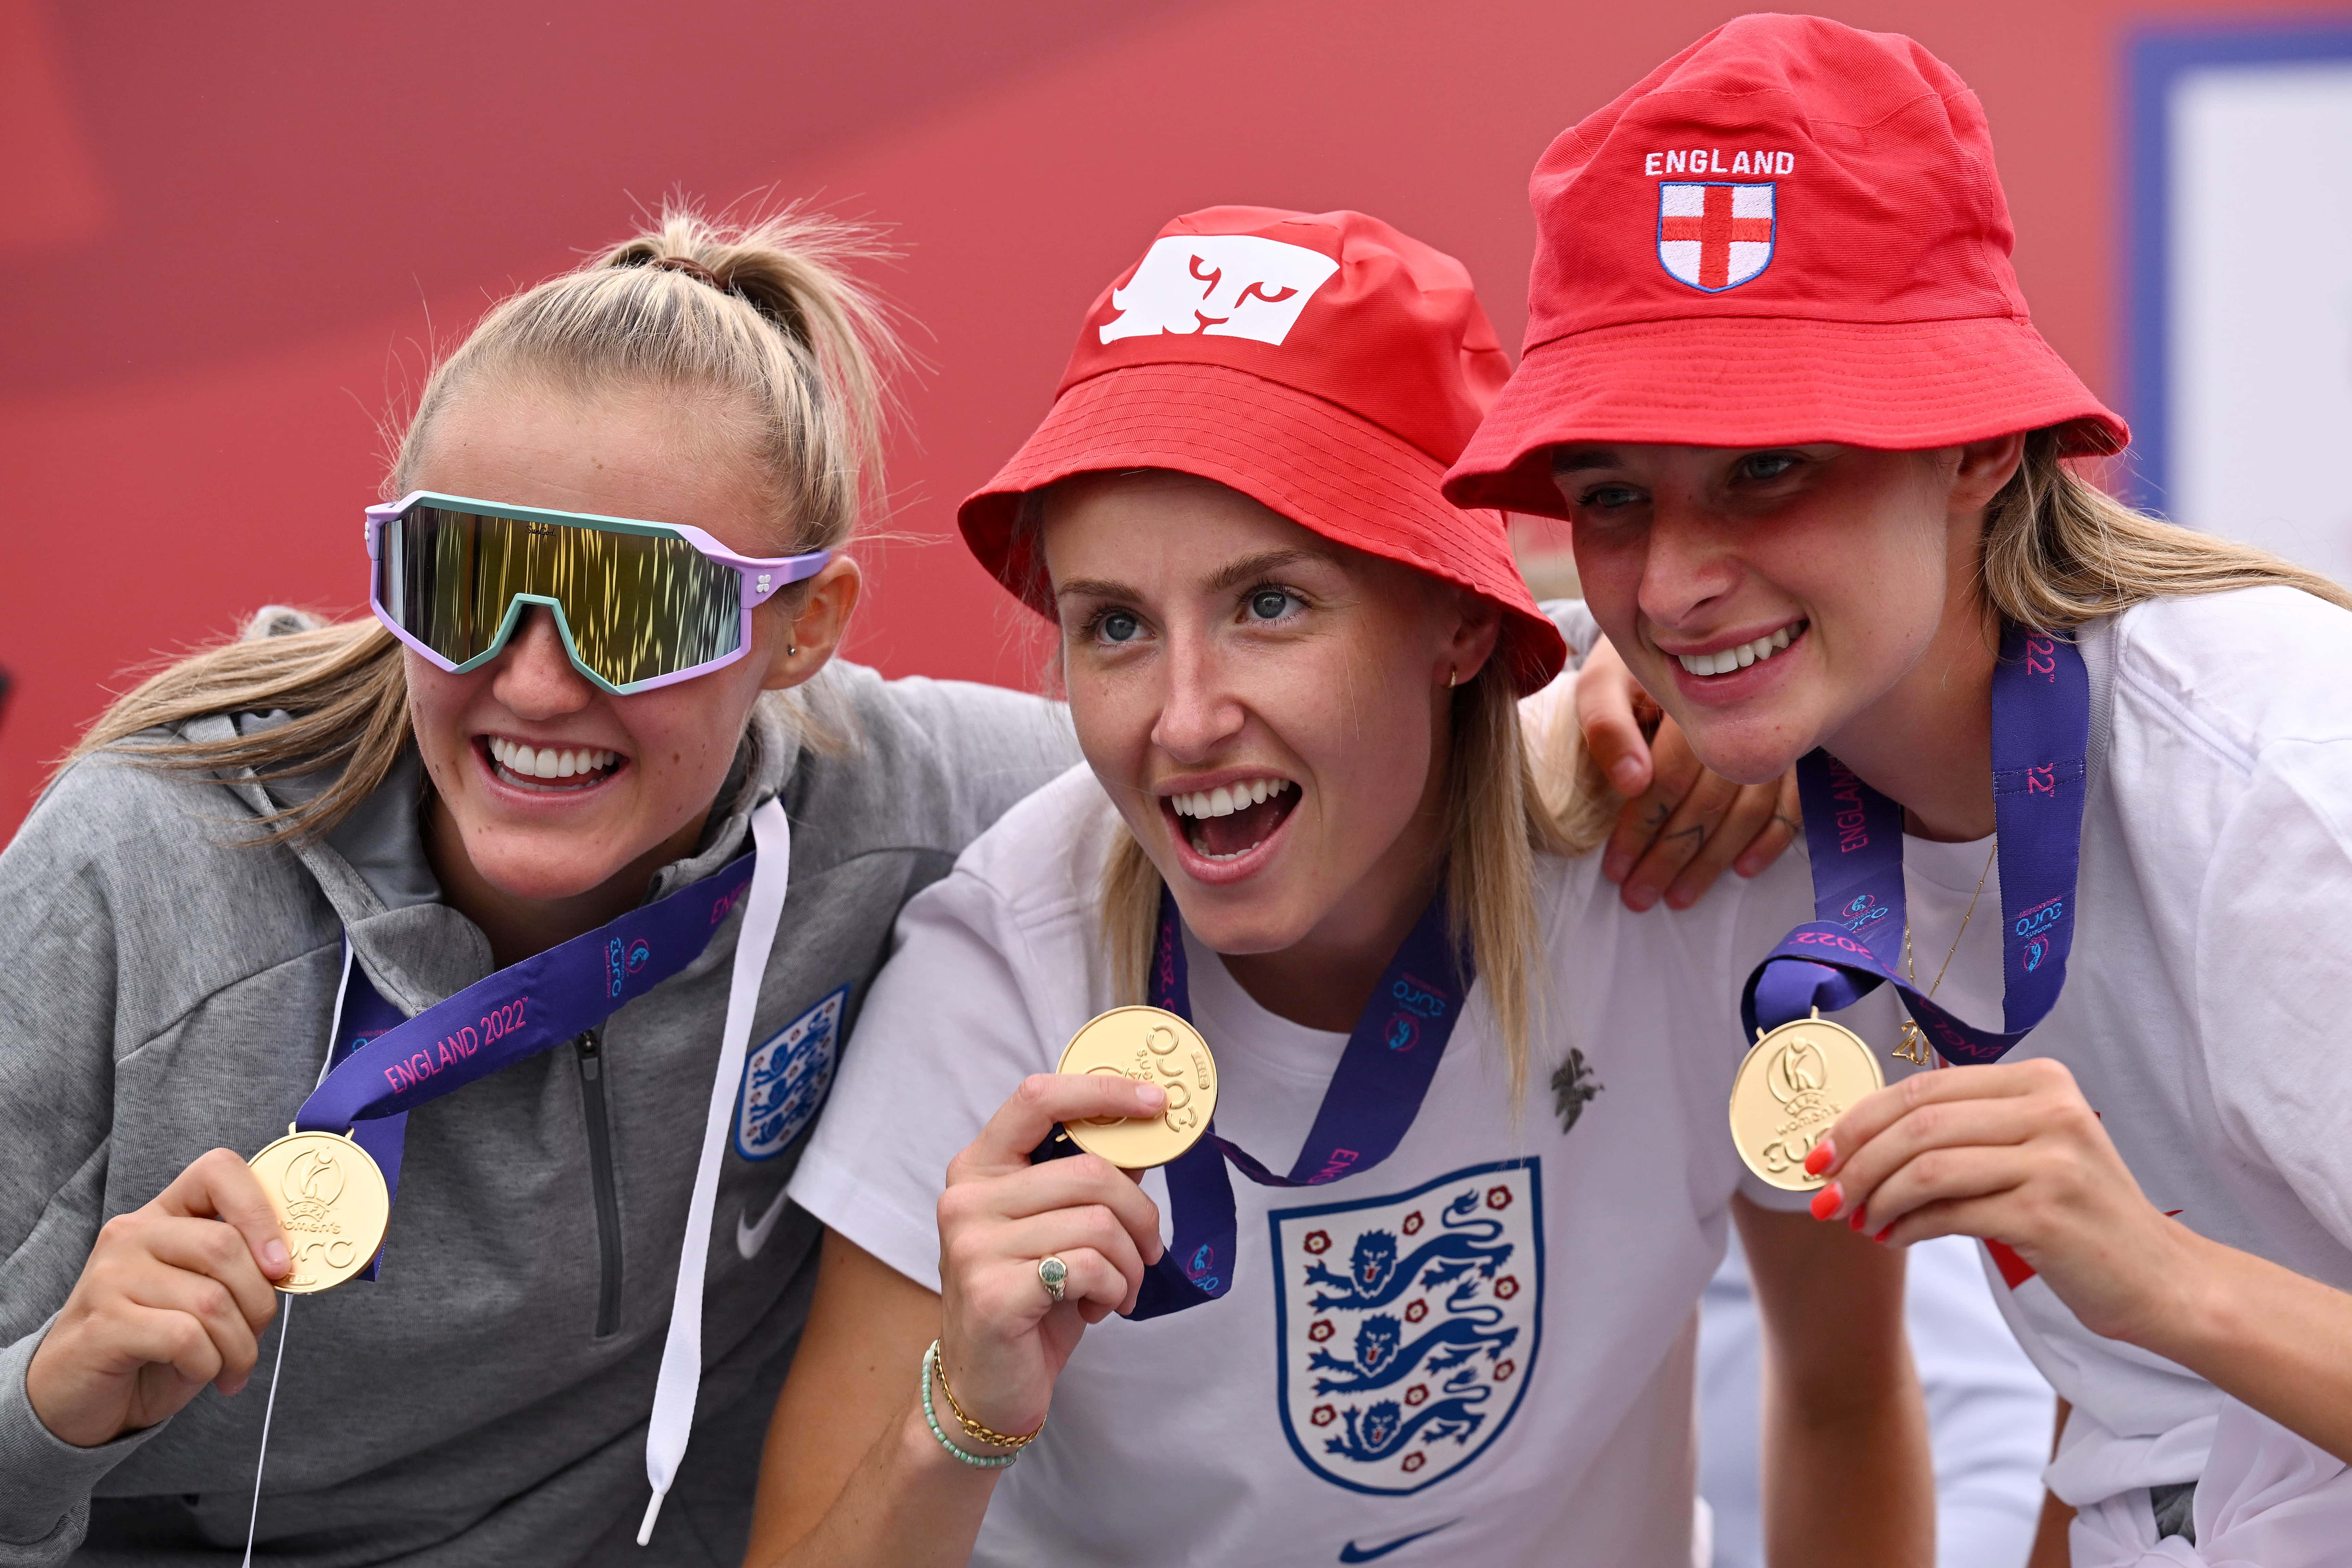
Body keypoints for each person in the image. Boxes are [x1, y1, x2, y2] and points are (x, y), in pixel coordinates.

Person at [744, 207, 1928, 1568]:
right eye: (1115, 625)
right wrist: (963, 1417)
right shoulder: (998, 981)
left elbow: (1846, 1401)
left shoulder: (1684, 866)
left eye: (1270, 605)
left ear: (1460, 617)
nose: (1183, 720)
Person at [0, 205, 1095, 1567]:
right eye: (462, 579)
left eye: (637, 609)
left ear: (802, 630)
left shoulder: (886, 802)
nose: (533, 681)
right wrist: (46, 1411)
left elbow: (1188, 768)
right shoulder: (137, 873)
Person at [1442, 15, 2352, 1566]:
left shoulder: (2282, 796)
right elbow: (2121, 1415)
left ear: (1983, 448)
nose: (1671, 583)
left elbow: (2152, 1320)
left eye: (1770, 466)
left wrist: (2161, 1278)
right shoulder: (1791, 772)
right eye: (1612, 497)